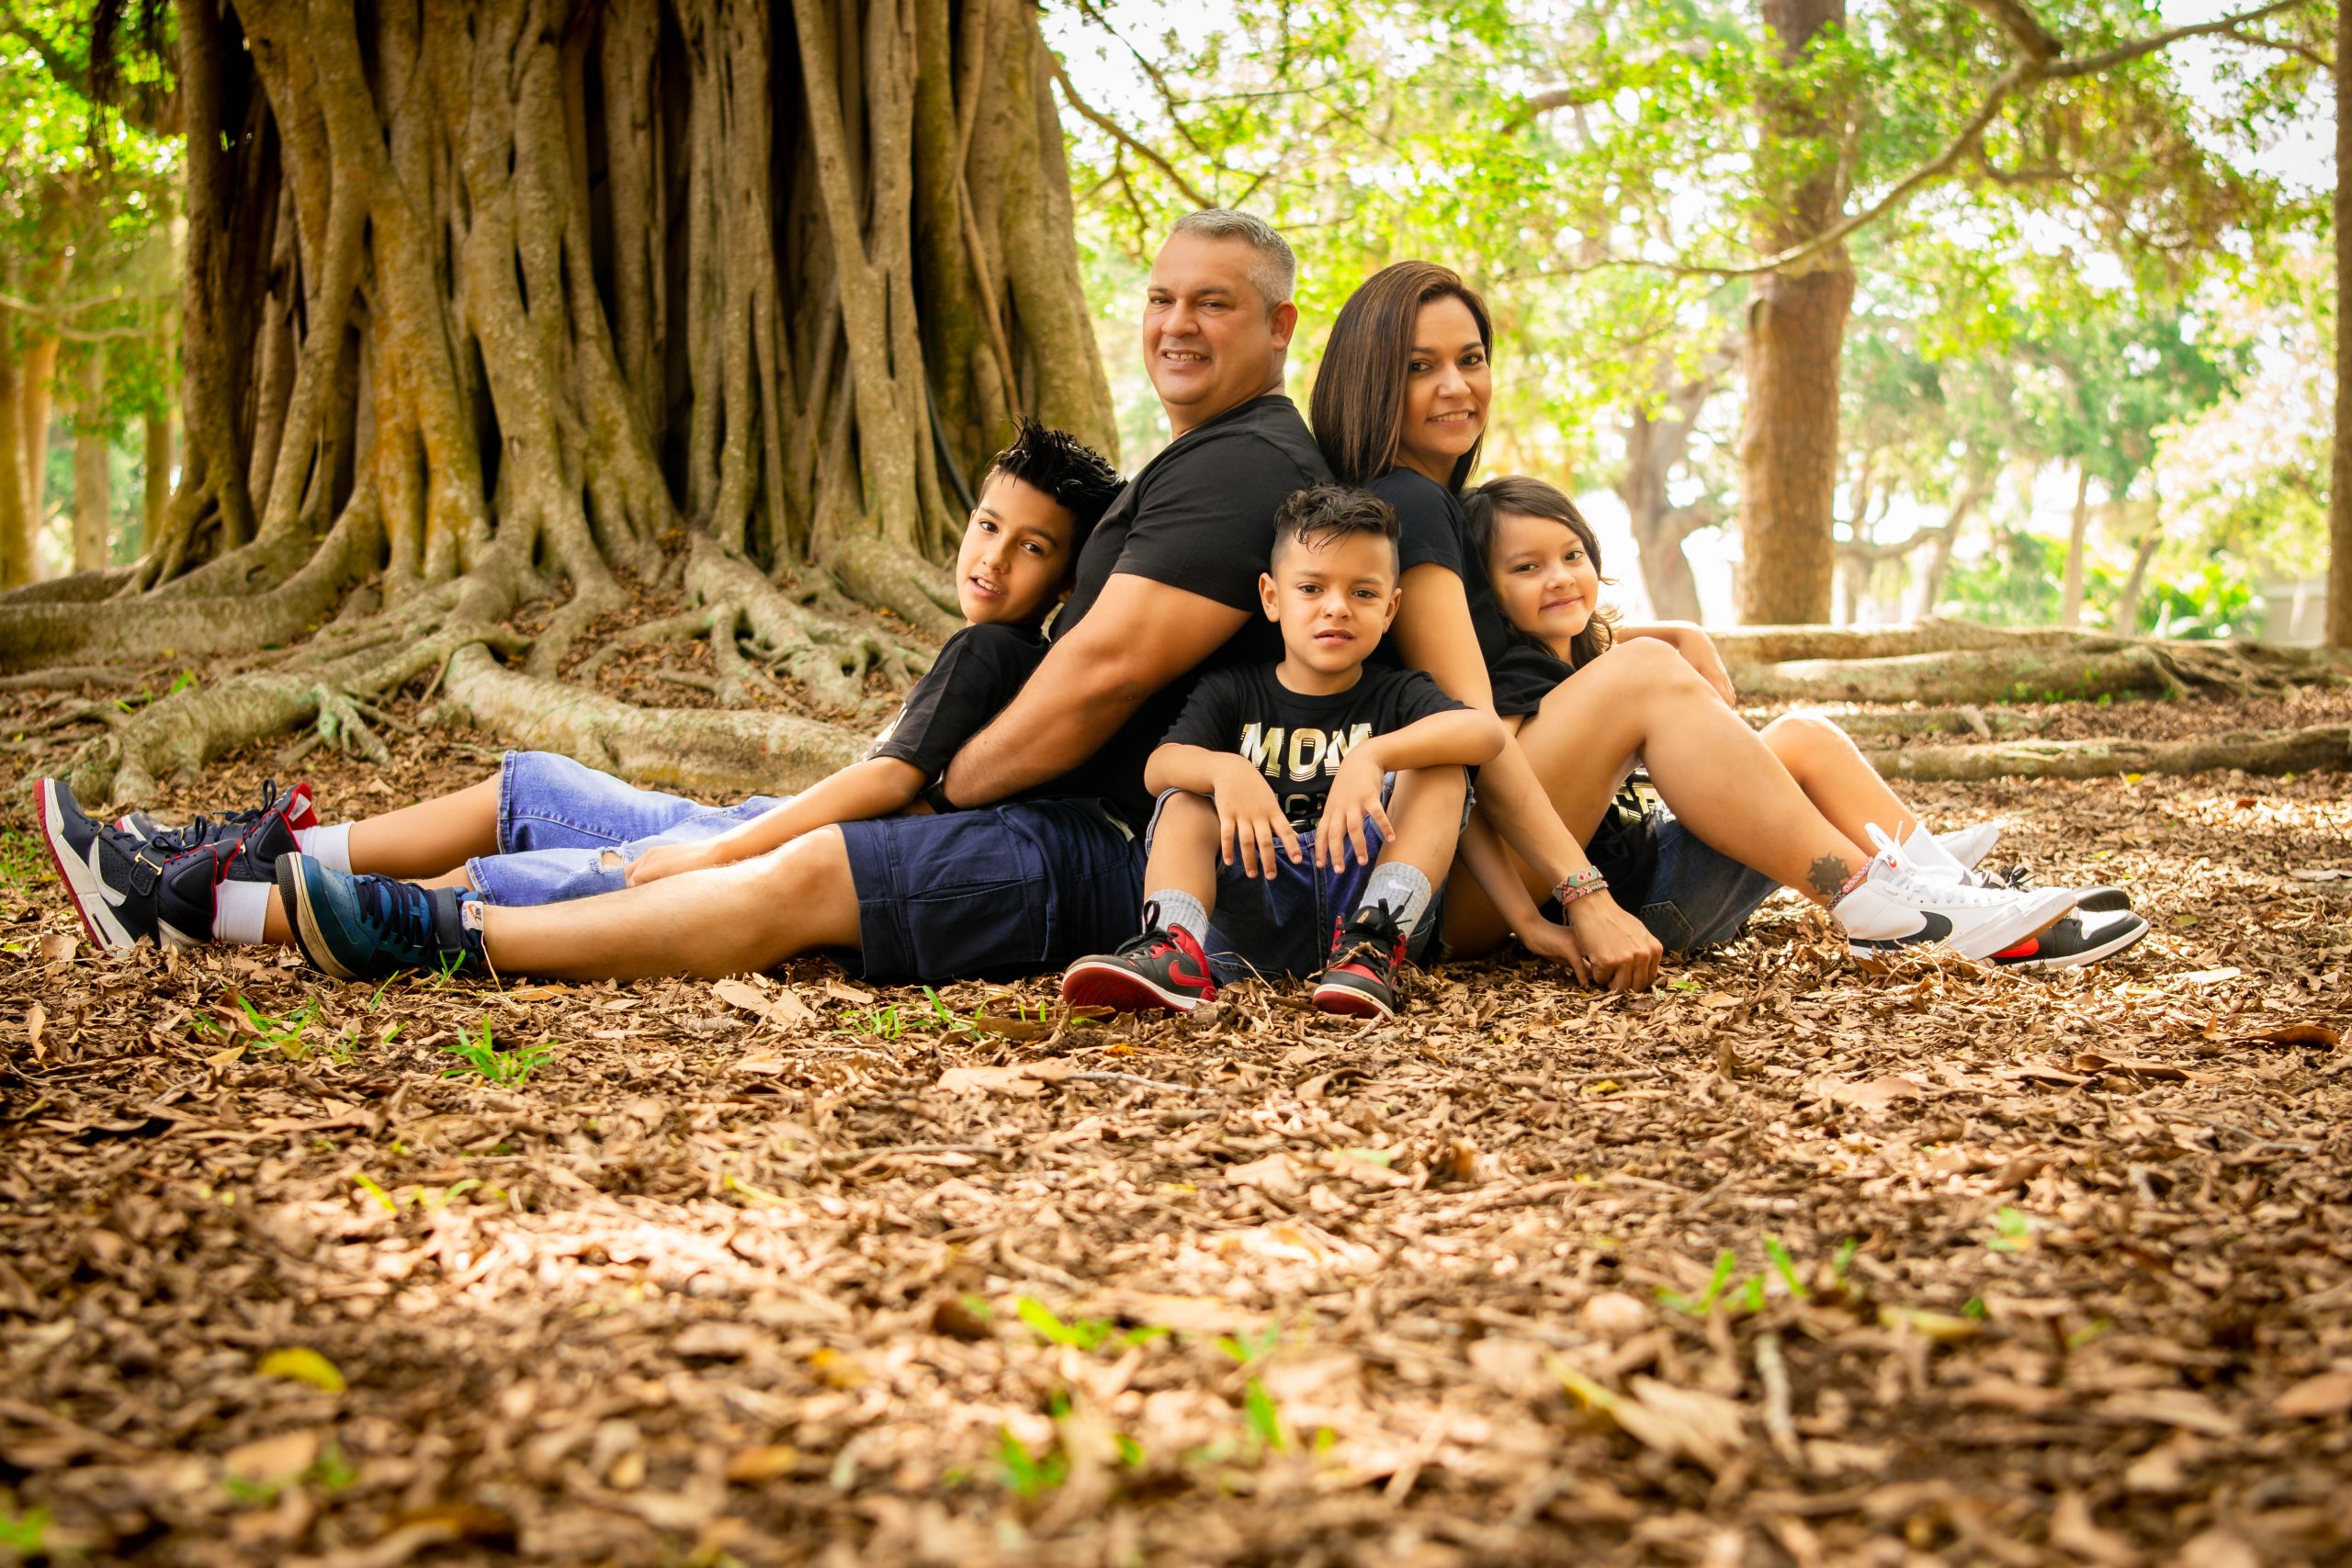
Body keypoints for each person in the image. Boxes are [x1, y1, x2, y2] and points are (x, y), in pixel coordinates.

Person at [50, 210, 1333, 986]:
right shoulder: (1198, 463)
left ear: (1279, 326)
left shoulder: (1241, 467)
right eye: (1160, 297)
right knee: (574, 802)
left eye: (1212, 305)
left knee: (704, 855)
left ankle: (236, 901)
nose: (1175, 323)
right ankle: (235, 870)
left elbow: (1103, 672)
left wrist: (952, 779)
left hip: (1065, 833)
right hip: (1026, 812)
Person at [1308, 260, 2134, 976]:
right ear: (1373, 379)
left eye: (1471, 358)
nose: (1457, 385)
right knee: (1647, 680)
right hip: (1461, 885)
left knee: (1797, 733)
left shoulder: (1418, 504)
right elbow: (1473, 728)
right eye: (1421, 367)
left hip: (1501, 866)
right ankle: (1883, 903)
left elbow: (1493, 655)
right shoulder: (1409, 505)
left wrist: (1662, 634)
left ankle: (1943, 896)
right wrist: (1581, 897)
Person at [39, 419, 1122, 953]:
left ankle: (198, 902)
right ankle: (230, 866)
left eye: (1031, 548)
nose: (992, 558)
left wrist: (721, 850)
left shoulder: (995, 655)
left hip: (773, 846)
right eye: (988, 525)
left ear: (1068, 582)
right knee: (538, 790)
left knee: (556, 860)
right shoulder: (998, 658)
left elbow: (885, 786)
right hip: (773, 832)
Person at [1462, 478, 2150, 970]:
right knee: (1758, 726)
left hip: (1661, 876)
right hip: (1637, 904)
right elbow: (1495, 786)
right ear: (1488, 595)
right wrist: (1543, 915)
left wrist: (1677, 632)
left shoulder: (1585, 658)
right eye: (1527, 567)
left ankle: (1952, 892)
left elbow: (1616, 643)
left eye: (1572, 556)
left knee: (1804, 735)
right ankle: (1897, 912)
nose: (1559, 577)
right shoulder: (1513, 672)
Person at [1059, 485, 1503, 1019]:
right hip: (1255, 905)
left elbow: (1485, 733)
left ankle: (1372, 948)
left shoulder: (1399, 693)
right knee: (1185, 798)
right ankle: (1175, 950)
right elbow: (1159, 767)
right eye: (1311, 588)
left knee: (1440, 768)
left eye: (1363, 593)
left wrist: (1373, 756)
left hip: (1365, 898)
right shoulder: (1233, 691)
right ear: (1272, 598)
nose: (1336, 607)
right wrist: (1224, 770)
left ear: (1391, 609)